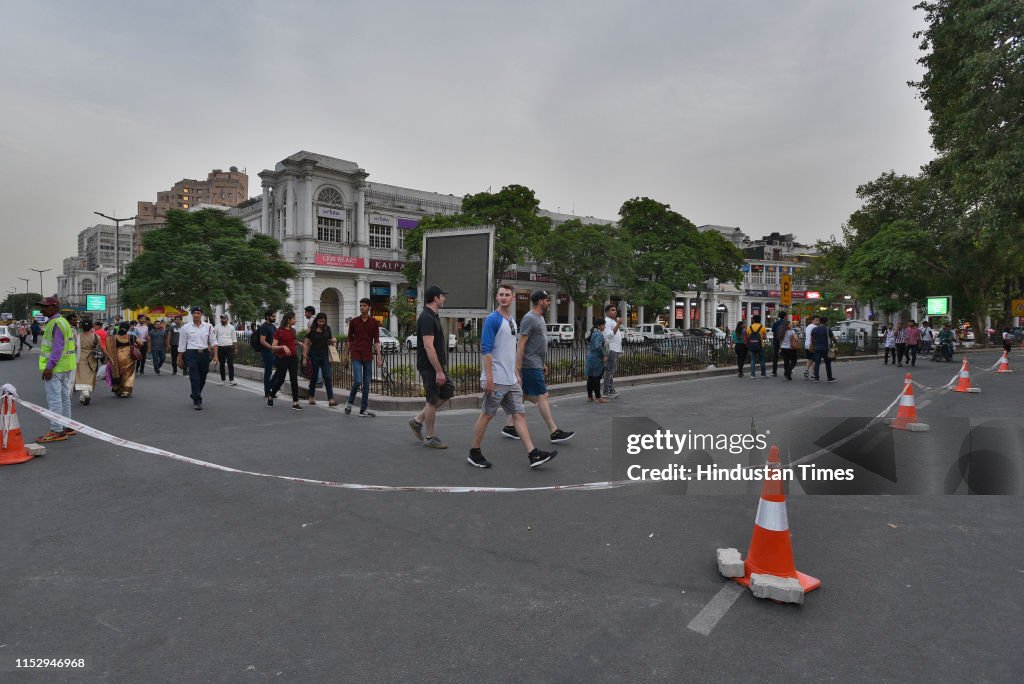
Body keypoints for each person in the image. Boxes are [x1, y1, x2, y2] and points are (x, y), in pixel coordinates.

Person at [467, 284, 557, 469]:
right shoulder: (492, 319)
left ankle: (533, 455)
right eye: (501, 294)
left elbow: (511, 349)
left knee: (519, 416)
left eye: (507, 294)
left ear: (513, 298)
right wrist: (489, 378)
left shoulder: (512, 320)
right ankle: (474, 453)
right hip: (497, 379)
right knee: (487, 415)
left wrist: (516, 371)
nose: (504, 297)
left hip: (511, 379)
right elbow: (486, 351)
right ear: (497, 297)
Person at [500, 290, 575, 444]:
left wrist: (542, 363)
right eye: (547, 300)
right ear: (541, 301)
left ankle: (509, 427)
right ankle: (554, 431)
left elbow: (536, 344)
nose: (549, 303)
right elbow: (521, 344)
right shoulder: (529, 318)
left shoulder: (539, 318)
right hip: (529, 365)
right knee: (542, 396)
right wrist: (518, 368)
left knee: (523, 396)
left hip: (535, 364)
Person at [409, 285, 450, 449]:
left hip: (436, 366)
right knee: (432, 400)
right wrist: (438, 370)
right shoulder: (426, 317)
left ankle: (417, 420)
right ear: (435, 298)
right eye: (443, 296)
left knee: (448, 391)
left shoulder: (433, 316)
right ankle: (430, 436)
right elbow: (428, 346)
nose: (444, 298)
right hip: (430, 367)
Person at [35, 297, 77, 443]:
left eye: (45, 307)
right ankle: (67, 426)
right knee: (64, 397)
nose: (42, 310)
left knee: (54, 399)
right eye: (41, 307)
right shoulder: (63, 322)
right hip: (66, 366)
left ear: (55, 307)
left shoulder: (55, 323)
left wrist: (49, 367)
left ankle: (57, 430)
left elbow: (57, 348)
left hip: (56, 368)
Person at [344, 298, 381, 415]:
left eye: (364, 305)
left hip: (368, 355)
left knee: (366, 383)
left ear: (369, 307)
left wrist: (379, 357)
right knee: (357, 381)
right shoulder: (354, 322)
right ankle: (349, 403)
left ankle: (363, 409)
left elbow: (376, 341)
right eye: (360, 305)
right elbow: (349, 339)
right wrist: (345, 356)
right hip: (356, 354)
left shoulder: (374, 323)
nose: (361, 307)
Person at [177, 307, 218, 410]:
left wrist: (216, 356)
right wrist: (180, 358)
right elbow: (182, 344)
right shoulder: (185, 327)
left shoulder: (208, 327)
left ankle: (195, 393)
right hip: (191, 354)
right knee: (194, 377)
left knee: (203, 377)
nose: (196, 315)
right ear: (192, 314)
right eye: (194, 313)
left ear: (201, 314)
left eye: (198, 313)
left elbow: (214, 342)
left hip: (204, 354)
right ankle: (197, 400)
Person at [268, 311, 302, 410]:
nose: (295, 320)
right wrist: (283, 347)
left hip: (293, 358)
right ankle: (271, 395)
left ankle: (295, 402)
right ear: (288, 320)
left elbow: (291, 341)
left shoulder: (293, 331)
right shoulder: (279, 331)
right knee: (281, 379)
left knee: (294, 379)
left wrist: (297, 343)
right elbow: (273, 347)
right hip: (282, 359)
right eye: (294, 319)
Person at [304, 312, 338, 407]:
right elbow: (306, 344)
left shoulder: (328, 329)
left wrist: (333, 340)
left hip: (324, 355)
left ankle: (331, 399)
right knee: (314, 376)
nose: (321, 323)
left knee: (327, 376)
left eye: (323, 321)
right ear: (316, 320)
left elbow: (331, 340)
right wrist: (304, 357)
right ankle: (311, 396)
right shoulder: (311, 330)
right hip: (313, 354)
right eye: (320, 321)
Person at [106, 321, 139, 398]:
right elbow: (140, 343)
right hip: (129, 358)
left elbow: (108, 348)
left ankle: (118, 389)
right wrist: (135, 345)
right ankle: (126, 391)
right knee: (128, 374)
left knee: (119, 373)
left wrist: (107, 359)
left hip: (116, 358)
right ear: (128, 328)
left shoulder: (113, 338)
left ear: (119, 328)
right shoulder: (131, 337)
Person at [74, 320, 101, 405]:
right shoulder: (96, 336)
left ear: (81, 327)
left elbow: (74, 347)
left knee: (81, 376)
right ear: (91, 327)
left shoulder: (77, 336)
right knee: (89, 377)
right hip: (91, 359)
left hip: (80, 357)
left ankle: (85, 394)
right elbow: (101, 348)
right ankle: (84, 395)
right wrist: (109, 357)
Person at [585, 317, 609, 403]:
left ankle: (590, 396)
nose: (604, 327)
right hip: (596, 358)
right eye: (603, 325)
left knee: (590, 378)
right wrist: (604, 355)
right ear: (599, 326)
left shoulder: (592, 333)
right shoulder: (599, 334)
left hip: (590, 358)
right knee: (596, 378)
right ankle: (599, 397)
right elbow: (598, 346)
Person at [602, 303, 624, 396]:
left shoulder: (613, 321)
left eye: (615, 310)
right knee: (609, 370)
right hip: (611, 348)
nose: (615, 311)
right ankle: (606, 391)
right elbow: (608, 336)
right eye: (612, 310)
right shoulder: (607, 321)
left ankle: (611, 389)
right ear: (607, 312)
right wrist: (618, 325)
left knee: (611, 370)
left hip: (616, 348)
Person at [257, 310, 278, 401]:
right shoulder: (264, 327)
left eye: (275, 316)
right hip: (267, 352)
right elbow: (262, 341)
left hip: (273, 352)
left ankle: (270, 386)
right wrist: (271, 348)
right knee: (268, 371)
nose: (275, 318)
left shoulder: (273, 326)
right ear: (267, 316)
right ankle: (267, 392)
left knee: (280, 369)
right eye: (273, 316)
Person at [810, 316, 837, 383]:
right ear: (826, 322)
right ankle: (829, 378)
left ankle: (816, 378)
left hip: (816, 348)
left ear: (820, 321)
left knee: (817, 363)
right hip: (826, 349)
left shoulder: (814, 329)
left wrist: (814, 346)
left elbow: (812, 339)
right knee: (828, 364)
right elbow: (833, 338)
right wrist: (835, 341)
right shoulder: (828, 329)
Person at [213, 313, 237, 385]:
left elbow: (234, 338)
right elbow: (214, 337)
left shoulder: (231, 327)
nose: (222, 320)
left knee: (230, 364)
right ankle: (223, 380)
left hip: (229, 347)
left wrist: (235, 347)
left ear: (227, 319)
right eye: (221, 318)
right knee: (222, 364)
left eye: (224, 318)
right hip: (220, 347)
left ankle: (231, 380)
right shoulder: (217, 327)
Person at [770, 311, 788, 377]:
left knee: (775, 357)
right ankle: (786, 372)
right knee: (786, 357)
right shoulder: (786, 323)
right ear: (785, 316)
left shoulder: (775, 323)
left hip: (776, 341)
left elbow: (774, 333)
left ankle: (774, 372)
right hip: (784, 342)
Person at [803, 315, 820, 379]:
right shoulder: (815, 327)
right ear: (812, 320)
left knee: (809, 359)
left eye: (818, 320)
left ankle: (806, 369)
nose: (818, 321)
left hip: (807, 345)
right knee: (815, 360)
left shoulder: (808, 326)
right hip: (813, 345)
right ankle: (813, 374)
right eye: (816, 320)